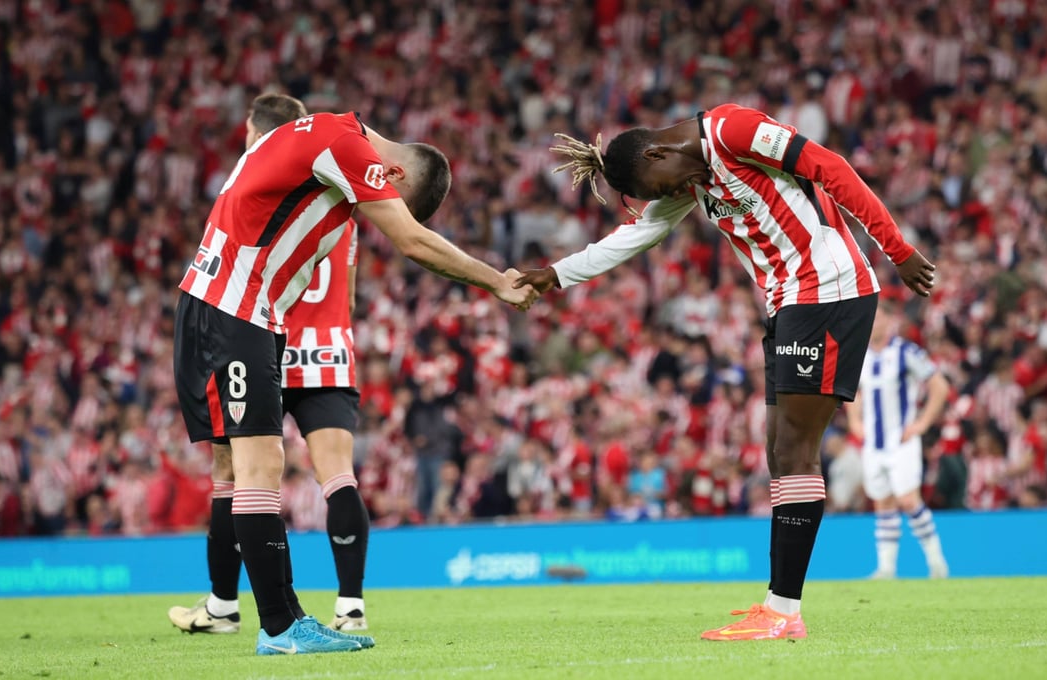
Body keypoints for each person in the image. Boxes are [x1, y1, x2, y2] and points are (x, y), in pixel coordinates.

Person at [516, 103, 935, 640]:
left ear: (657, 153)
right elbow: (638, 234)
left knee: (796, 448)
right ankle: (779, 606)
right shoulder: (687, 176)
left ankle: (784, 612)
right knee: (779, 449)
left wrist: (896, 249)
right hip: (786, 302)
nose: (671, 195)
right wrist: (556, 275)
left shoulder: (733, 131)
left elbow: (830, 167)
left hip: (827, 290)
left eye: (660, 186)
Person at [173, 94, 536, 656]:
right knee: (258, 466)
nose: (374, 209)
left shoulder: (320, 138)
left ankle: (284, 618)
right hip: (232, 310)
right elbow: (412, 241)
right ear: (391, 174)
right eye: (385, 199)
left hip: (242, 311)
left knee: (260, 465)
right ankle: (278, 628)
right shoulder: (345, 146)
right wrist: (496, 281)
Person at [169, 95, 376, 640]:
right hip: (330, 349)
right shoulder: (344, 201)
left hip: (262, 337)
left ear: (257, 134)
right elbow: (349, 295)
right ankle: (350, 605)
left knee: (237, 471)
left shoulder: (262, 182)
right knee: (338, 475)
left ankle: (224, 604)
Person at [844, 299, 951, 579]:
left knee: (908, 500)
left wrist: (922, 423)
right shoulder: (860, 355)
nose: (873, 324)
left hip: (901, 441)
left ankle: (936, 562)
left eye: (878, 318)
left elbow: (939, 387)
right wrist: (855, 421)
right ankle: (886, 569)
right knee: (883, 502)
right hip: (874, 443)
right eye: (870, 318)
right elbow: (852, 392)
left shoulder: (907, 352)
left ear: (890, 321)